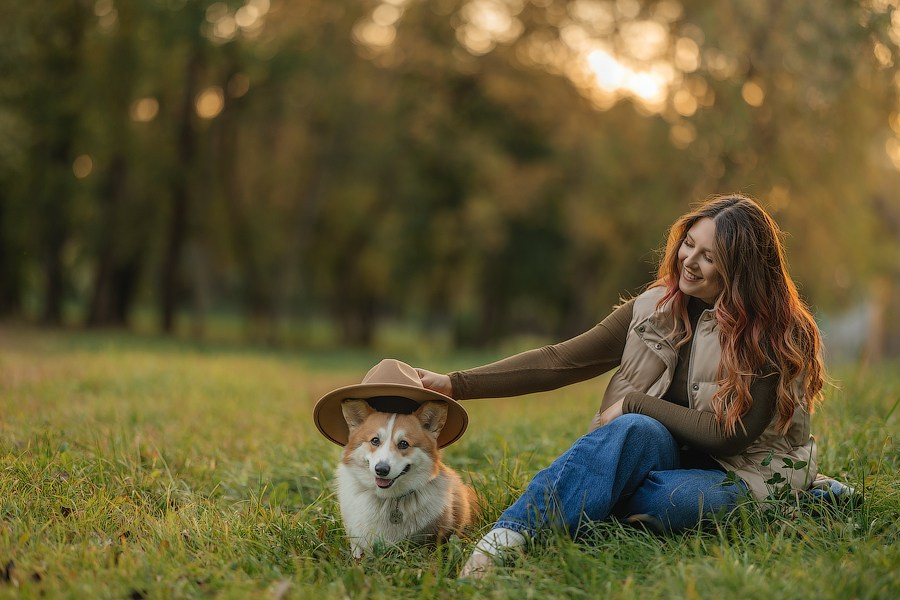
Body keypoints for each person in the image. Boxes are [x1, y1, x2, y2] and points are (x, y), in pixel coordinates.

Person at [415, 194, 825, 578]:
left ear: (740, 269)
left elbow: (729, 436)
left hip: (747, 471)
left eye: (709, 257)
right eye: (689, 244)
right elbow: (561, 361)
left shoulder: (772, 333)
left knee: (671, 501)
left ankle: (806, 496)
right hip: (661, 454)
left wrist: (634, 402)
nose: (689, 261)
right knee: (634, 430)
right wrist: (454, 384)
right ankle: (506, 537)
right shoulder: (653, 310)